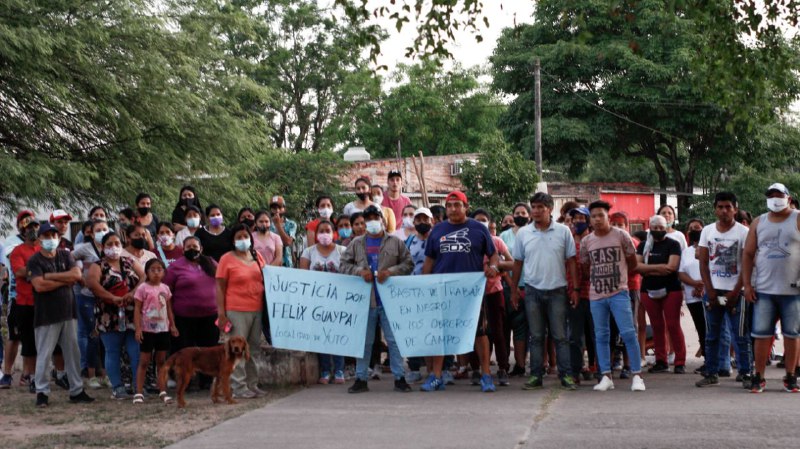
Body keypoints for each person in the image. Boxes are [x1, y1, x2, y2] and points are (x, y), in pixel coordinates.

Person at [421, 191, 500, 393]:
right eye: (450, 205)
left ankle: (486, 375)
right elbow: (429, 261)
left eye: (458, 205)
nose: (453, 209)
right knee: (441, 333)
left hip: (471, 293)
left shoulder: (478, 229)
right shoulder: (437, 231)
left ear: (466, 207)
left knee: (479, 333)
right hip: (442, 292)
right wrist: (423, 285)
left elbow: (493, 255)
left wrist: (493, 267)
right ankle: (436, 376)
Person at [341, 205, 414, 393]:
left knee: (394, 340)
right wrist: (359, 271)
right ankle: (361, 378)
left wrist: (390, 272)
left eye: (375, 217)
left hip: (389, 301)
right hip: (365, 302)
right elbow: (343, 264)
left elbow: (408, 263)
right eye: (368, 219)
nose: (372, 222)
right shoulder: (357, 243)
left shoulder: (395, 242)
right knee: (364, 342)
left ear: (382, 219)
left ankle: (400, 378)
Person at [510, 193, 578, 390]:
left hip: (558, 289)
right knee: (536, 336)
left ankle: (566, 375)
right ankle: (536, 376)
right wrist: (514, 290)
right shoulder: (524, 233)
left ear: (550, 209)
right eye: (534, 207)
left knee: (560, 336)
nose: (536, 211)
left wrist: (575, 288)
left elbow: (571, 261)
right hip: (532, 291)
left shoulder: (563, 231)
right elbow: (517, 263)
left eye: (541, 207)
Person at [579, 200, 645, 392]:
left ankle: (637, 375)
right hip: (596, 295)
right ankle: (606, 376)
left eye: (601, 215)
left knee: (628, 333)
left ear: (608, 216)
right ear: (589, 220)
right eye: (594, 216)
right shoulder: (586, 241)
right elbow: (585, 268)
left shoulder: (621, 236)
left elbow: (633, 263)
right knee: (601, 335)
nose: (597, 219)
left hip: (619, 293)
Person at [28, 222, 94, 407]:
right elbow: (39, 285)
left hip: (68, 312)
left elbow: (76, 275)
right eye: (47, 236)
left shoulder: (65, 254)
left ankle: (77, 390)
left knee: (73, 353)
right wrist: (64, 281)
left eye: (53, 235)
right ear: (40, 238)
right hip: (46, 315)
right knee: (44, 354)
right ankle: (42, 392)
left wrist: (50, 276)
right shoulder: (35, 260)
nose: (51, 239)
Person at [742, 183, 800, 392]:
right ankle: (758, 376)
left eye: (779, 195)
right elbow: (748, 254)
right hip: (764, 290)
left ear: (788, 197)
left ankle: (791, 376)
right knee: (760, 334)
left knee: (792, 334)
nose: (775, 199)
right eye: (771, 195)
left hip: (793, 291)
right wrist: (747, 285)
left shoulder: (797, 218)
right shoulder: (759, 222)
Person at [695, 192, 752, 388]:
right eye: (720, 207)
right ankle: (711, 372)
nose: (724, 210)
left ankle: (746, 373)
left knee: (740, 335)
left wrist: (736, 291)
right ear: (715, 209)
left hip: (736, 293)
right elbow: (703, 263)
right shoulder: (708, 231)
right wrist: (709, 290)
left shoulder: (743, 232)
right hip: (713, 292)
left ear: (735, 209)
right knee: (712, 336)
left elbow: (747, 264)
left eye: (728, 207)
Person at [86, 231, 145, 399]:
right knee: (113, 351)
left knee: (135, 350)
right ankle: (117, 387)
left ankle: (137, 385)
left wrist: (133, 293)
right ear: (102, 247)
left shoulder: (129, 261)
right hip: (109, 315)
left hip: (131, 313)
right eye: (110, 244)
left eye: (117, 244)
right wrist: (112, 297)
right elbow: (93, 284)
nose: (114, 248)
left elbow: (144, 276)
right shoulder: (97, 266)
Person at [216, 224, 266, 399]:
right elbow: (220, 288)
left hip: (257, 308)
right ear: (232, 240)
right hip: (236, 309)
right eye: (238, 237)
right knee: (236, 349)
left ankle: (252, 384)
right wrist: (221, 314)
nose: (242, 240)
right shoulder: (226, 259)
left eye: (245, 236)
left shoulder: (256, 255)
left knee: (253, 349)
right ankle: (238, 386)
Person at [163, 236, 219, 388]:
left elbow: (221, 283)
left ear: (201, 248)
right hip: (184, 318)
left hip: (210, 316)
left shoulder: (211, 263)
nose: (192, 249)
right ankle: (183, 381)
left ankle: (206, 381)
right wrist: (171, 319)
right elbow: (167, 293)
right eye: (188, 247)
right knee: (184, 351)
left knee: (208, 350)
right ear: (183, 249)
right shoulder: (175, 267)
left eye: (195, 246)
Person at [299, 220, 347, 384]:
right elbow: (303, 277)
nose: (325, 233)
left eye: (328, 230)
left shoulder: (343, 251)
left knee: (338, 335)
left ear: (334, 232)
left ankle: (340, 369)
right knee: (321, 336)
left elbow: (350, 274)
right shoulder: (308, 252)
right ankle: (325, 370)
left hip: (339, 301)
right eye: (321, 231)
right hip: (317, 303)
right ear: (316, 234)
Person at [636, 215, 685, 374]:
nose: (658, 230)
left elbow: (672, 267)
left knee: (673, 324)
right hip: (648, 290)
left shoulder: (673, 244)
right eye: (655, 227)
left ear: (667, 227)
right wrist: (660, 268)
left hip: (671, 289)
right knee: (657, 326)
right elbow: (637, 267)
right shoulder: (644, 245)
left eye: (661, 227)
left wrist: (648, 269)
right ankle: (661, 360)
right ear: (650, 227)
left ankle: (679, 361)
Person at [472, 209, 514, 386]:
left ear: (489, 223)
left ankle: (503, 368)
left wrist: (496, 267)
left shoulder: (496, 241)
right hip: (473, 294)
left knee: (498, 331)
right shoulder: (468, 242)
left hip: (494, 292)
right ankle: (476, 369)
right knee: (476, 333)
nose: (481, 223)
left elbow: (512, 262)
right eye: (477, 220)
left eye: (484, 220)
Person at [71, 219, 111, 389]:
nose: (102, 232)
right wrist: (79, 275)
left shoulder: (112, 246)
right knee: (92, 336)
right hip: (87, 297)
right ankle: (92, 374)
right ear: (92, 233)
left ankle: (107, 374)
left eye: (105, 229)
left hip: (107, 297)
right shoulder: (84, 248)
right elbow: (69, 257)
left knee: (107, 338)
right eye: (98, 230)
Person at [133, 259, 178, 404]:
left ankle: (163, 390)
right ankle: (139, 392)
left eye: (159, 269)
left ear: (164, 272)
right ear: (147, 272)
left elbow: (169, 308)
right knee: (144, 361)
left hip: (163, 329)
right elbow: (137, 310)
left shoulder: (165, 288)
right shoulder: (142, 288)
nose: (156, 272)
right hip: (147, 329)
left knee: (161, 361)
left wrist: (172, 325)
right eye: (153, 269)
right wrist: (138, 328)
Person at [5, 215, 41, 391]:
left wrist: (34, 272)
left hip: (44, 301)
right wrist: (41, 271)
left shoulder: (42, 248)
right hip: (24, 302)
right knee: (28, 341)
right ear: (22, 230)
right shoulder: (17, 251)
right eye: (29, 227)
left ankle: (41, 375)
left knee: (46, 340)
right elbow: (19, 272)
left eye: (35, 226)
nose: (32, 230)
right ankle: (31, 376)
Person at [610, 211, 647, 369]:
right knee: (611, 326)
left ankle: (629, 363)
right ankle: (613, 360)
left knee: (629, 326)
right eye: (614, 224)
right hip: (610, 289)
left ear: (627, 226)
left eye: (621, 225)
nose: (618, 228)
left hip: (630, 288)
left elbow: (637, 267)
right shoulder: (606, 243)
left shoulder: (634, 243)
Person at [499, 203, 531, 377]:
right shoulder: (504, 236)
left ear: (529, 215)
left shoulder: (534, 234)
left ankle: (522, 365)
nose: (520, 215)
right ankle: (506, 365)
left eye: (523, 212)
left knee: (525, 328)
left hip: (531, 286)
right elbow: (500, 263)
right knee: (507, 326)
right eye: (517, 213)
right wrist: (512, 285)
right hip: (508, 286)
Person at [567, 207, 595, 382]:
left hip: (593, 294)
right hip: (572, 294)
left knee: (594, 334)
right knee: (575, 335)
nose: (578, 221)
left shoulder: (593, 240)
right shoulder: (567, 241)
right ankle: (575, 370)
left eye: (581, 218)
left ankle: (594, 366)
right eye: (575, 218)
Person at [269, 195, 298, 268]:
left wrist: (278, 225)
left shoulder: (291, 224)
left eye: (279, 207)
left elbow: (288, 242)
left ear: (284, 209)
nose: (277, 210)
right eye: (274, 208)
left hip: (287, 263)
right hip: (270, 262)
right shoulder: (267, 224)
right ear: (271, 209)